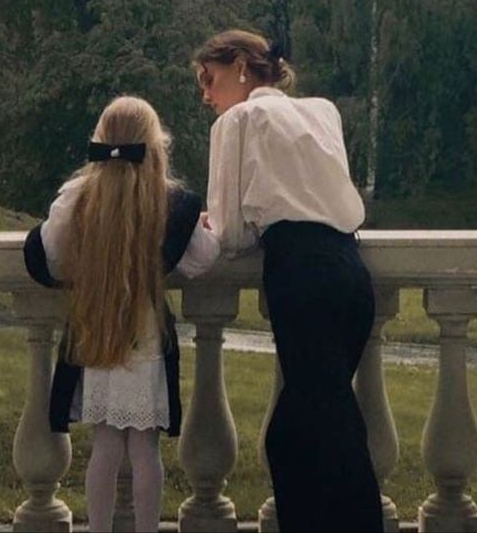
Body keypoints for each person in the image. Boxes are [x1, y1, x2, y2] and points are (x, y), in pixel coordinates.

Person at [194, 30, 384, 532]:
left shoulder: (239, 120)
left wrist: (209, 226)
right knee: (314, 426)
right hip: (350, 271)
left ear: (239, 66)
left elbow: (232, 234)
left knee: (318, 433)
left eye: (209, 80)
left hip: (302, 277)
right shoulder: (323, 111)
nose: (206, 96)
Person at [23, 95, 219, 533]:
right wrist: (203, 226)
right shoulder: (167, 201)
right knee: (144, 450)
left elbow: (48, 254)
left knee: (106, 446)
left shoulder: (80, 197)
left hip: (97, 334)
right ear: (155, 146)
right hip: (144, 340)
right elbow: (204, 259)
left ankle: (99, 529)